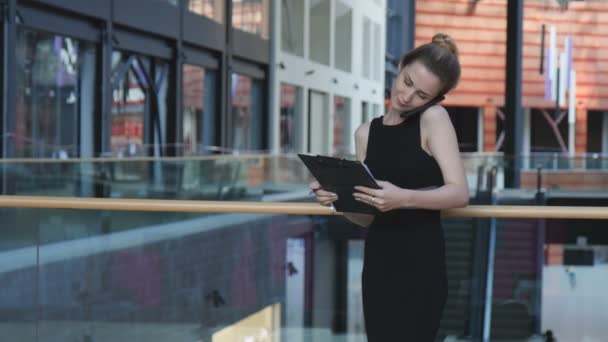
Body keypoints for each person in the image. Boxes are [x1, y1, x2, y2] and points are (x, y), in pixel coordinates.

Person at [310, 33, 469, 341]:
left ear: (435, 99)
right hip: (379, 264)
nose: (408, 96)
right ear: (400, 66)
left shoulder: (433, 119)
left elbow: (459, 193)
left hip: (421, 264)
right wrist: (337, 200)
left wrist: (402, 198)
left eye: (422, 95)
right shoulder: (365, 133)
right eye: (407, 81)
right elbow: (368, 216)